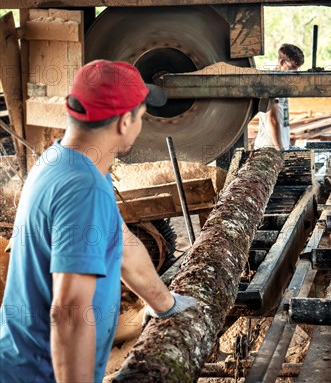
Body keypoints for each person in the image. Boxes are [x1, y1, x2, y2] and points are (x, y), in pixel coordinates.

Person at [0, 60, 197, 382]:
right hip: (38, 374)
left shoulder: (65, 161)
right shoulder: (85, 189)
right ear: (124, 122)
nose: (141, 124)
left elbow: (124, 245)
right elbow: (70, 313)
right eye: (141, 115)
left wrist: (165, 304)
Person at [254, 44, 304, 150]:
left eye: (297, 69)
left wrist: (286, 145)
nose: (295, 72)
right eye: (293, 68)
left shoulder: (282, 82)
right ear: (281, 62)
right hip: (269, 148)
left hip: (279, 146)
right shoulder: (272, 82)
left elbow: (282, 118)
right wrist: (279, 149)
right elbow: (272, 118)